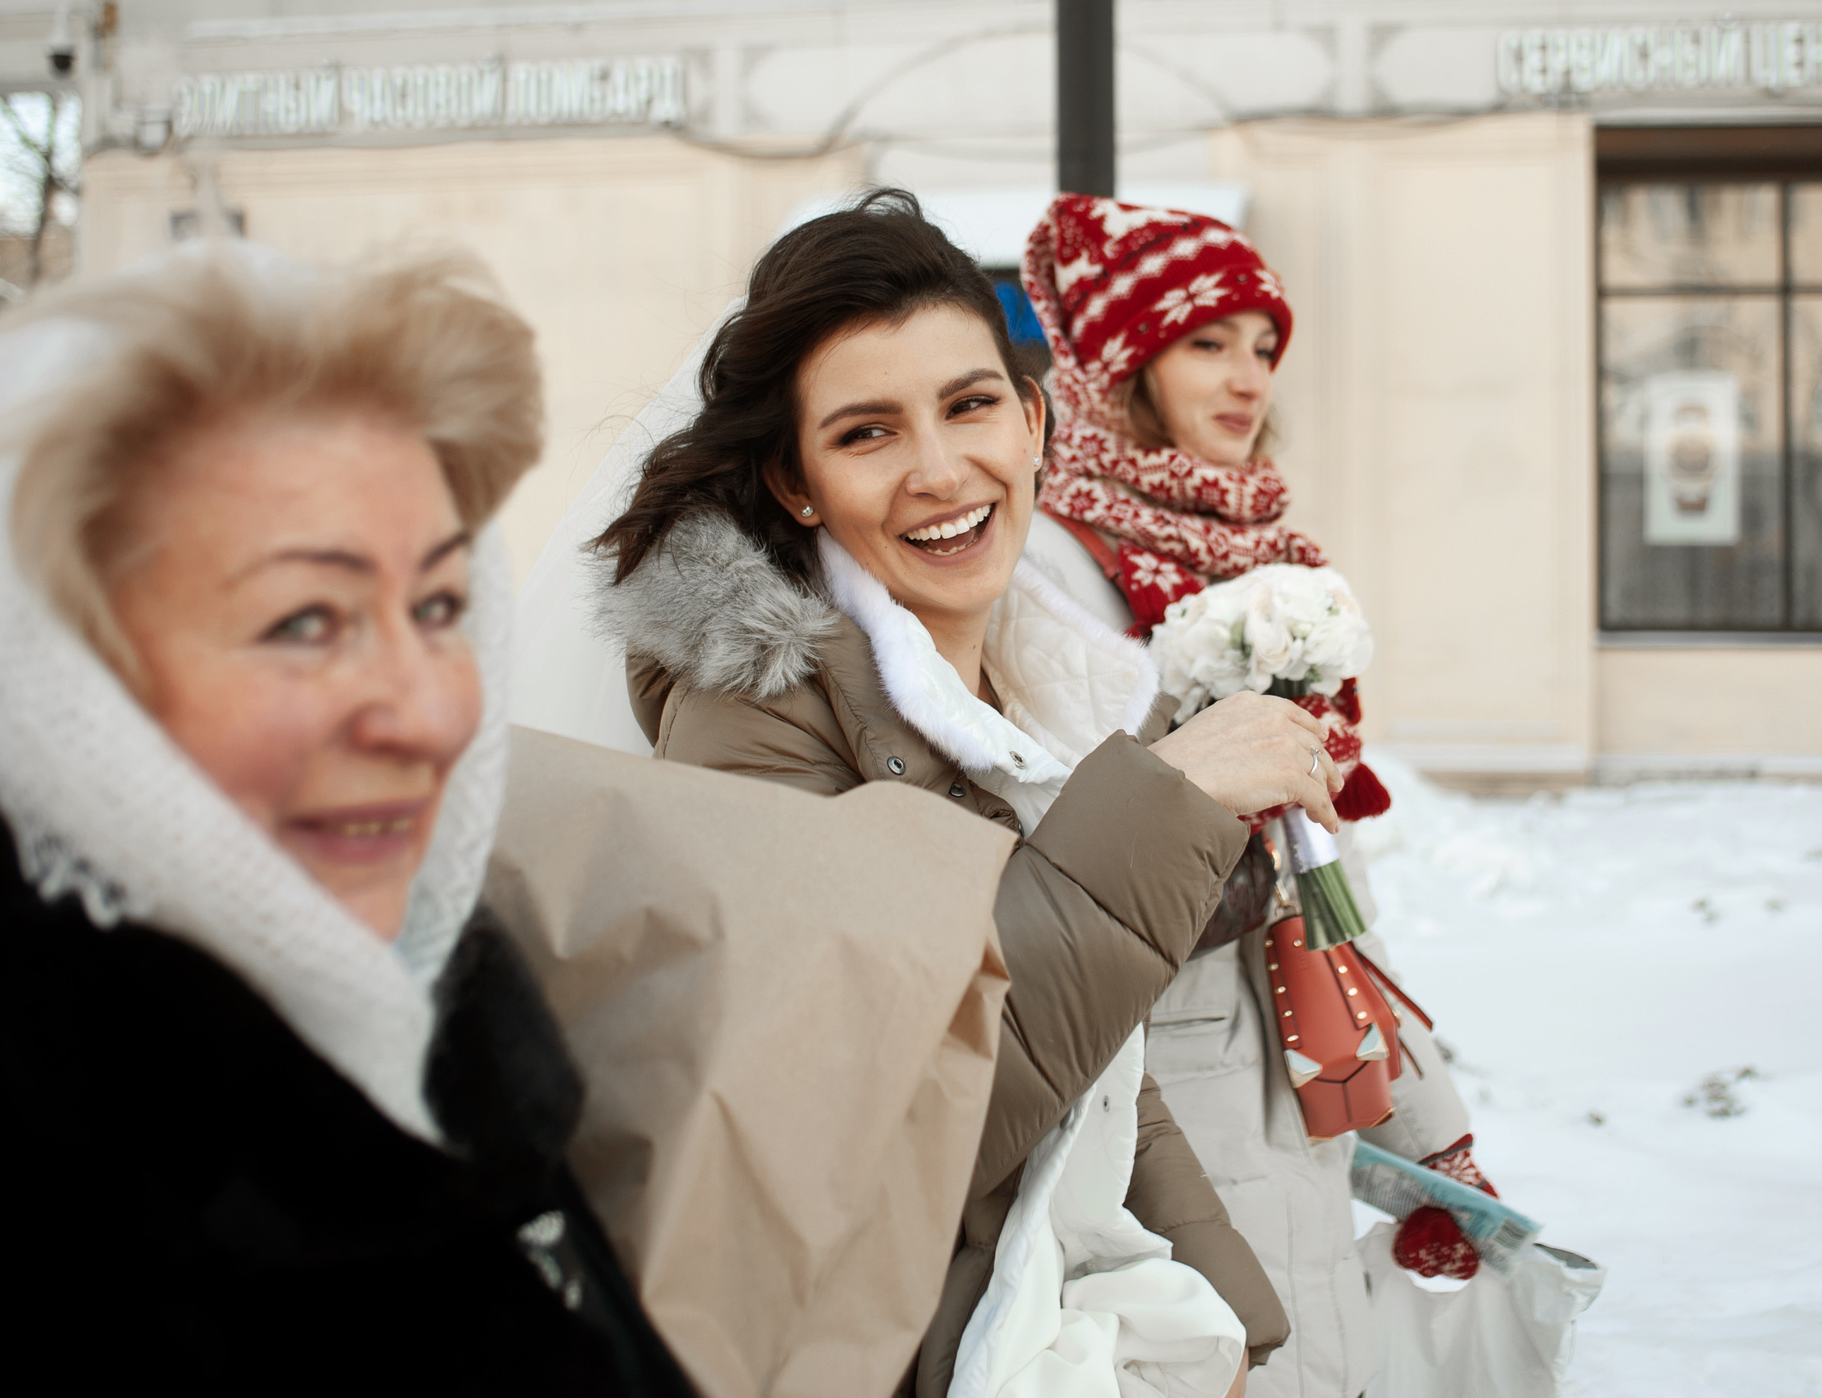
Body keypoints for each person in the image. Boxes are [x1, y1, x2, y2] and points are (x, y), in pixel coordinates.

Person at [0, 246, 689, 1394]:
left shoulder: (418, 1018)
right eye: (304, 620)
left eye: (438, 606)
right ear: (55, 669)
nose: (427, 714)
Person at [583, 192, 1343, 1398]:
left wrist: (1235, 1321)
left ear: (1033, 422)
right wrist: (1167, 799)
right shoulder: (752, 714)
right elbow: (884, 1113)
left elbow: (1096, 1063)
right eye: (867, 433)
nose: (941, 472)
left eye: (970, 404)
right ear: (794, 481)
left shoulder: (1054, 679)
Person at [1019, 196, 1494, 1398]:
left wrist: (1431, 1137)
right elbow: (1051, 842)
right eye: (1207, 343)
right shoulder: (1047, 565)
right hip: (1153, 1066)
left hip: (1298, 1042)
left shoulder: (1271, 556)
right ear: (1123, 362)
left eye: (1264, 346)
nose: (1248, 377)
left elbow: (1329, 877)